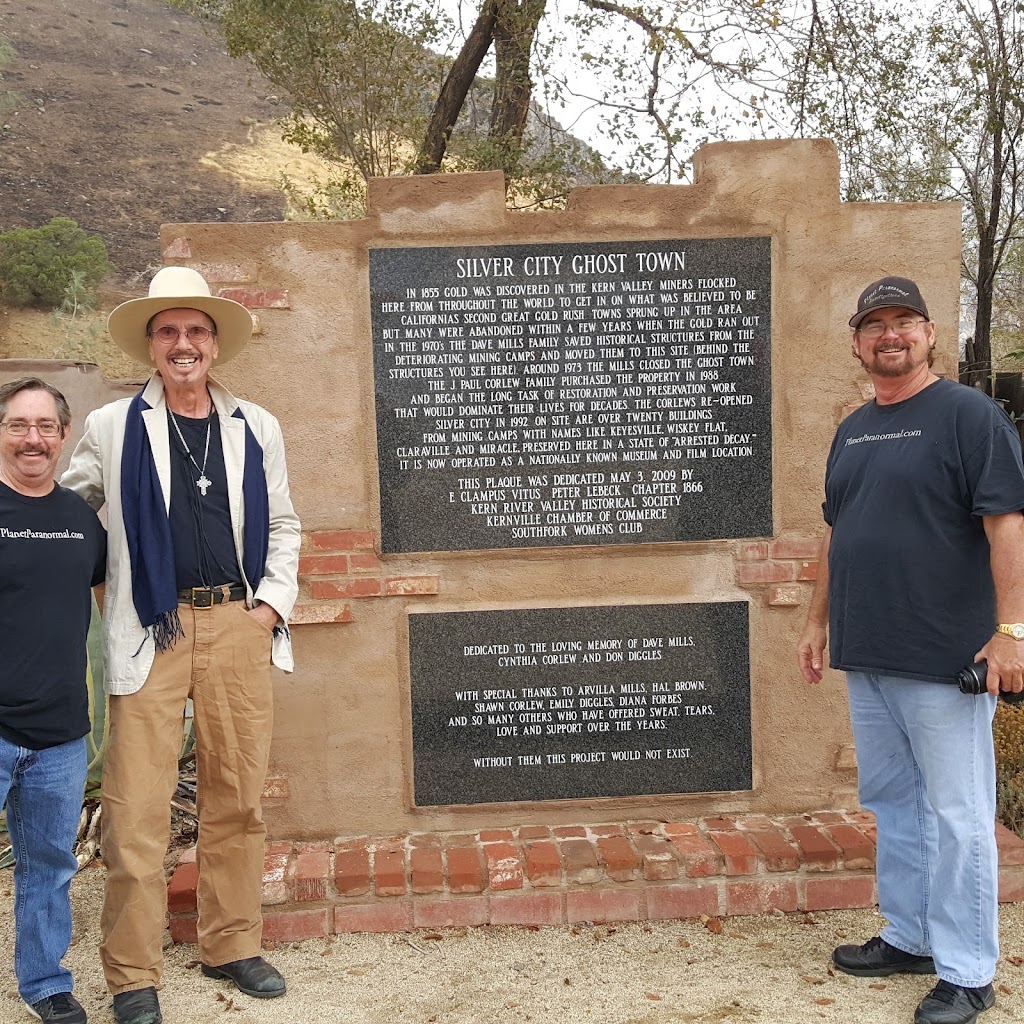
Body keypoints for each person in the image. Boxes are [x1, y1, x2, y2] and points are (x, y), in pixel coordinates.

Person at [62, 267, 301, 1024]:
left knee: (237, 796)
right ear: (151, 346)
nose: (183, 343)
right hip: (151, 629)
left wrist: (269, 607)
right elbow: (72, 512)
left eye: (196, 331)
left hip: (235, 623)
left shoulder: (254, 425)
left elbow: (287, 524)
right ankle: (133, 973)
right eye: (168, 332)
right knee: (135, 809)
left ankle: (230, 943)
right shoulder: (110, 425)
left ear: (216, 343)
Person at [797, 276, 1024, 1024]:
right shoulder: (853, 427)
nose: (889, 336)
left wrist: (1012, 631)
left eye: (904, 323)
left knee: (959, 816)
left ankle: (967, 971)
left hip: (945, 658)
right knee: (894, 803)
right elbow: (838, 531)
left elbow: (1006, 526)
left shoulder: (969, 416)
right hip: (870, 653)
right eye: (874, 326)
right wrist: (817, 622)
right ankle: (912, 935)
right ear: (858, 343)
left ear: (929, 334)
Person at [0, 377, 106, 1024]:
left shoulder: (80, 520)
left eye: (45, 427)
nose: (33, 438)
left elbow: (104, 604)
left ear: (64, 437)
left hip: (63, 736)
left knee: (49, 869)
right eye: (19, 425)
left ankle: (44, 983)